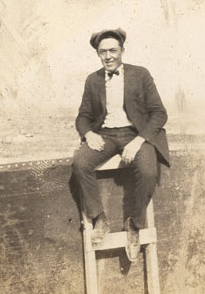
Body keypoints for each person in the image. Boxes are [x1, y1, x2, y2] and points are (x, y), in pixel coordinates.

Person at [72, 28, 169, 262]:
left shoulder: (141, 74)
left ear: (122, 51)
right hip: (105, 135)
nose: (108, 56)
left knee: (147, 171)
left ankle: (134, 224)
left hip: (137, 134)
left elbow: (159, 113)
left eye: (113, 50)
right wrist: (88, 133)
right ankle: (98, 218)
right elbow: (83, 116)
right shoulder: (93, 80)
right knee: (80, 163)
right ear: (97, 54)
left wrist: (139, 140)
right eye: (102, 52)